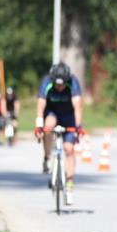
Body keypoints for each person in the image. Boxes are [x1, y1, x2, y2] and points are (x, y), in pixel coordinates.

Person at [35, 62, 84, 205]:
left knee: (69, 149)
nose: (59, 87)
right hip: (52, 112)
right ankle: (47, 156)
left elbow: (78, 106)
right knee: (48, 126)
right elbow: (40, 106)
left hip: (68, 116)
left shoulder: (73, 82)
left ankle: (69, 185)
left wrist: (78, 126)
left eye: (62, 85)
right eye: (57, 84)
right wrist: (39, 126)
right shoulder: (46, 82)